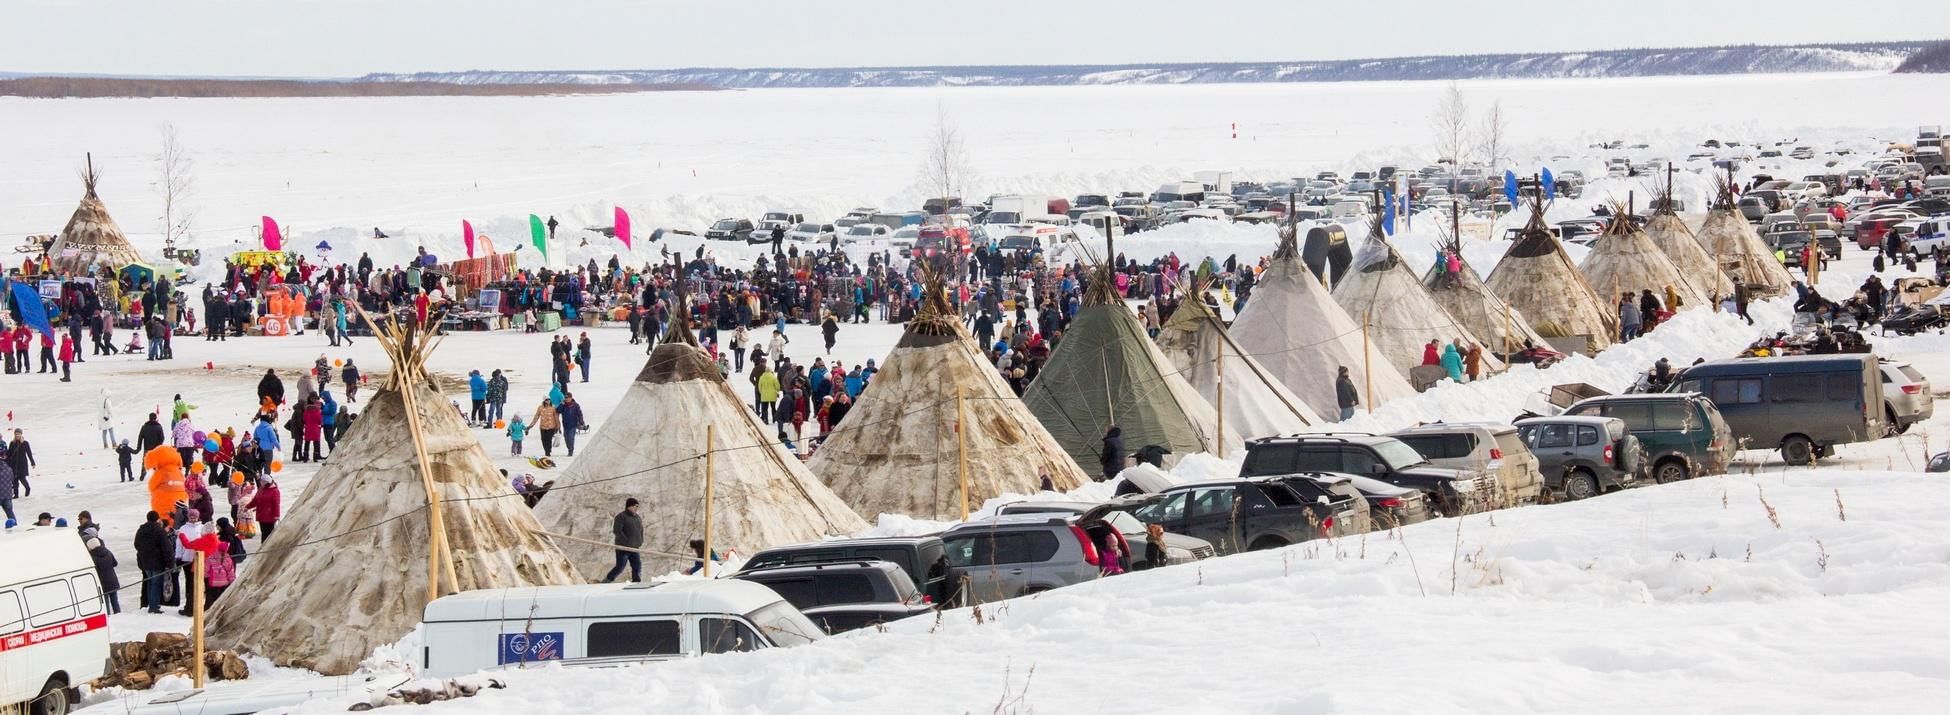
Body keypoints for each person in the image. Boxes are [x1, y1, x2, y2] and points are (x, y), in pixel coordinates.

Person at [134, 510, 173, 613]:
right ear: (157, 518)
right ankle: (154, 606)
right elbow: (166, 547)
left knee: (150, 582)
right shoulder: (159, 531)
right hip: (157, 561)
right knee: (156, 583)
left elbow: (136, 544)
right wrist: (170, 563)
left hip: (145, 561)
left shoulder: (141, 530)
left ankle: (151, 604)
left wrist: (143, 553)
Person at [602, 498, 645, 583]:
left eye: (637, 506)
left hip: (635, 548)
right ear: (629, 506)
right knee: (620, 567)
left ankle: (636, 583)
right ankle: (606, 581)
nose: (637, 508)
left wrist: (640, 541)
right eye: (635, 506)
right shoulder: (621, 516)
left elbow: (641, 530)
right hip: (623, 548)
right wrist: (627, 543)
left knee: (637, 566)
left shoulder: (638, 518)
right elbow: (617, 531)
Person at [82, 527, 121, 613]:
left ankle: (108, 616)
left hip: (102, 582)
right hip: (112, 579)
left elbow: (95, 571)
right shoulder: (108, 552)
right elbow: (115, 563)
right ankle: (118, 614)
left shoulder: (93, 558)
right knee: (115, 600)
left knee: (105, 601)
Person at [250, 476, 282, 544]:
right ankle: (263, 545)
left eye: (262, 481)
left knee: (268, 534)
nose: (260, 482)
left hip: (269, 516)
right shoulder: (261, 488)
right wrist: (248, 507)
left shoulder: (275, 491)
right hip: (261, 515)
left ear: (266, 482)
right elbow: (255, 500)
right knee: (263, 532)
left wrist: (277, 515)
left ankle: (266, 546)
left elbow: (276, 504)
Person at [6, 430, 34, 498]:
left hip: (22, 464)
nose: (17, 435)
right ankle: (16, 494)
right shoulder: (12, 443)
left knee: (22, 479)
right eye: (16, 434)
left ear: (21, 434)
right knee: (14, 480)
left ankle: (27, 488)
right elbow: (9, 453)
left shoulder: (25, 443)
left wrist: (32, 462)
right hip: (13, 464)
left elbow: (29, 453)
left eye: (19, 434)